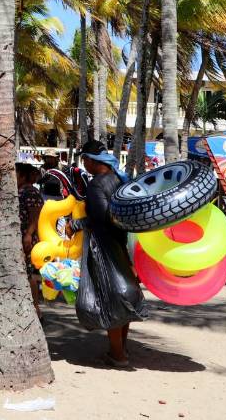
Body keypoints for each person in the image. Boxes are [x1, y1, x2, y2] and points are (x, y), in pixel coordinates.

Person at [69, 143, 146, 369]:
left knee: (113, 300)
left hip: (105, 247)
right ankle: (121, 348)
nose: (84, 165)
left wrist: (76, 224)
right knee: (125, 295)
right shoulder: (119, 179)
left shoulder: (96, 185)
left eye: (85, 160)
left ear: (93, 160)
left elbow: (104, 218)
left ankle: (118, 355)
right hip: (123, 243)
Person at [16, 163, 45, 301]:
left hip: (26, 236)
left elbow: (36, 216)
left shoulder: (29, 191)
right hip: (21, 235)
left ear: (23, 175)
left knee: (27, 273)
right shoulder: (21, 190)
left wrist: (28, 234)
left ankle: (35, 308)